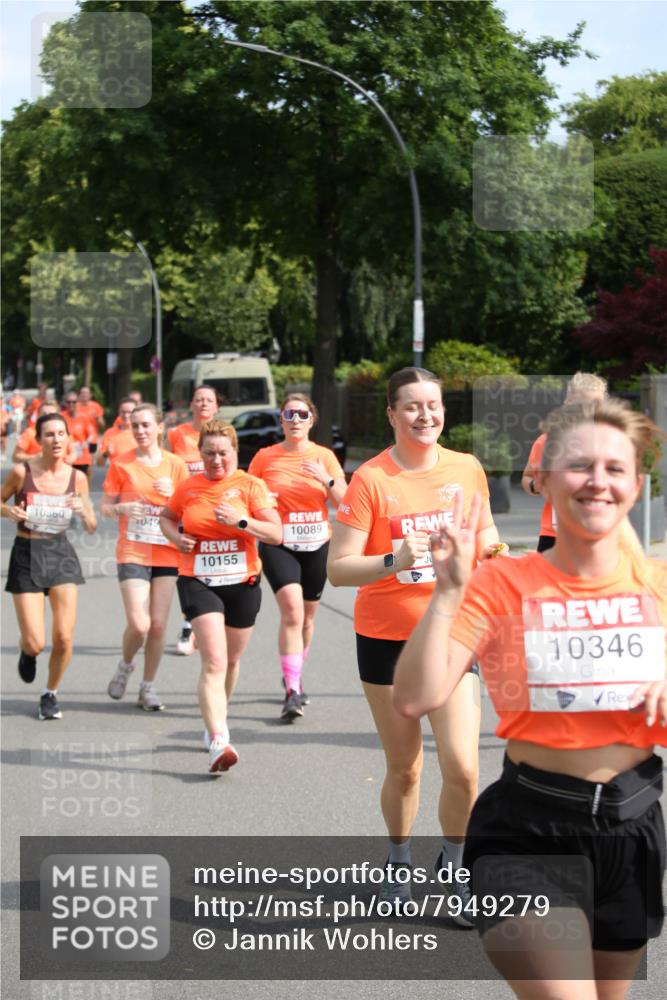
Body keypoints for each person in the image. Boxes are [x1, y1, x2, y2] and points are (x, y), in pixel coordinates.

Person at [394, 398, 666, 999]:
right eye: (579, 465)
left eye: (615, 468)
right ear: (544, 477)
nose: (597, 481)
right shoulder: (501, 584)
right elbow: (415, 697)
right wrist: (446, 594)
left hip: (634, 826)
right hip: (530, 830)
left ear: (636, 484)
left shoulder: (658, 587)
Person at [327, 367, 504, 917]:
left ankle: (455, 866)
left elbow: (485, 532)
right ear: (391, 414)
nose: (425, 416)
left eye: (433, 405)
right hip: (387, 639)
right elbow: (337, 569)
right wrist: (395, 560)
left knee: (464, 766)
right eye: (412, 407)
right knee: (405, 768)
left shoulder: (466, 468)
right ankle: (398, 860)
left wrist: (494, 553)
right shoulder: (372, 480)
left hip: (455, 632)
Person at [160, 419, 281, 773]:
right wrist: (174, 537)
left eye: (223, 453)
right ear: (200, 453)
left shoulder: (250, 486)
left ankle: (218, 718)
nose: (217, 460)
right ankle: (218, 739)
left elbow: (275, 533)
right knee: (214, 660)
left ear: (235, 452)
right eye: (210, 453)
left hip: (241, 581)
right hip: (197, 579)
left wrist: (241, 522)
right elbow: (167, 517)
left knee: (230, 660)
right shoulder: (189, 487)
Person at [248, 393, 347, 720]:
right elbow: (246, 497)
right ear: (281, 419)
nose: (295, 419)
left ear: (311, 419)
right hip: (280, 543)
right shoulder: (265, 457)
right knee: (291, 612)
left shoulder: (325, 457)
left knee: (307, 618)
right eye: (288, 413)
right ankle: (292, 689)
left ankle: (295, 671)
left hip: (317, 543)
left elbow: (346, 504)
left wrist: (326, 479)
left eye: (301, 413)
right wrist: (263, 500)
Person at [1, 412, 97, 720]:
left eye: (61, 434)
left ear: (69, 439)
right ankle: (27, 652)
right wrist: (8, 511)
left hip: (59, 553)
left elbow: (92, 525)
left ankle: (50, 693)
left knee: (64, 637)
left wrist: (84, 511)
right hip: (26, 552)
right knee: (35, 640)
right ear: (39, 440)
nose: (56, 440)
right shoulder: (21, 472)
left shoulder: (77, 478)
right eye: (49, 434)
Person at [101, 404, 188, 711]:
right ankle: (126, 665)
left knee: (159, 626)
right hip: (133, 550)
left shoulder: (176, 464)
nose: (139, 431)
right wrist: (121, 509)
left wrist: (175, 491)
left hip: (166, 551)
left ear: (159, 428)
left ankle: (147, 687)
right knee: (139, 624)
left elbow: (190, 506)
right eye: (134, 425)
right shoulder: (121, 463)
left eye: (145, 425)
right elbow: (105, 506)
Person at [522, 373, 609, 552]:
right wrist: (535, 485)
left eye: (596, 404)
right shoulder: (546, 441)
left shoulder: (610, 440)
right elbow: (527, 477)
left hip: (599, 529)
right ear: (568, 403)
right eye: (582, 404)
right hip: (554, 533)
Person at [165, 384, 221, 655]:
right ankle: (189, 623)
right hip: (186, 509)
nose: (203, 404)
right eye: (198, 399)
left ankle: (211, 620)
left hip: (218, 512)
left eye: (209, 400)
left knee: (213, 566)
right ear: (191, 405)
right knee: (187, 566)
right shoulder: (176, 434)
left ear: (217, 407)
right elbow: (165, 465)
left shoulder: (223, 434)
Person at [13, 402, 78, 464]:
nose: (47, 417)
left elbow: (73, 452)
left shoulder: (63, 432)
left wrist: (69, 459)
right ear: (38, 415)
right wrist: (34, 458)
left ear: (58, 415)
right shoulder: (30, 432)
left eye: (51, 414)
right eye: (44, 414)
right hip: (37, 473)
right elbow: (16, 456)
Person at [61, 392, 97, 477]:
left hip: (82, 455)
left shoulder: (84, 417)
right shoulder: (61, 417)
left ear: (78, 403)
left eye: (74, 402)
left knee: (83, 483)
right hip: (66, 456)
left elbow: (92, 434)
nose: (71, 404)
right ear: (65, 403)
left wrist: (86, 442)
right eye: (68, 402)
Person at [97, 398, 136, 466]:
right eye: (123, 412)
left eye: (129, 412)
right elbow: (100, 464)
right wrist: (106, 453)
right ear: (119, 412)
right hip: (116, 475)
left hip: (137, 475)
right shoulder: (109, 433)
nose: (126, 415)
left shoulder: (142, 432)